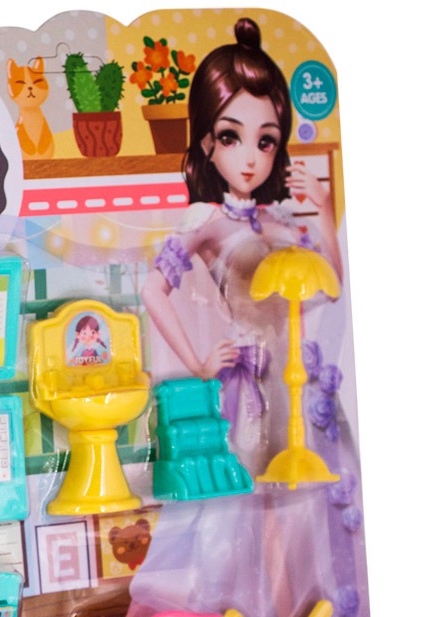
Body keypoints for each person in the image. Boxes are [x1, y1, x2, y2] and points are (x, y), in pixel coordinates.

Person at [141, 17, 341, 471]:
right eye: (231, 137)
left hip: (300, 372)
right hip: (250, 376)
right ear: (207, 142)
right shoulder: (207, 220)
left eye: (265, 142)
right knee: (253, 482)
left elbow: (330, 288)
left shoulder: (280, 219)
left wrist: (325, 209)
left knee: (306, 484)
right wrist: (199, 364)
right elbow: (153, 291)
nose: (250, 158)